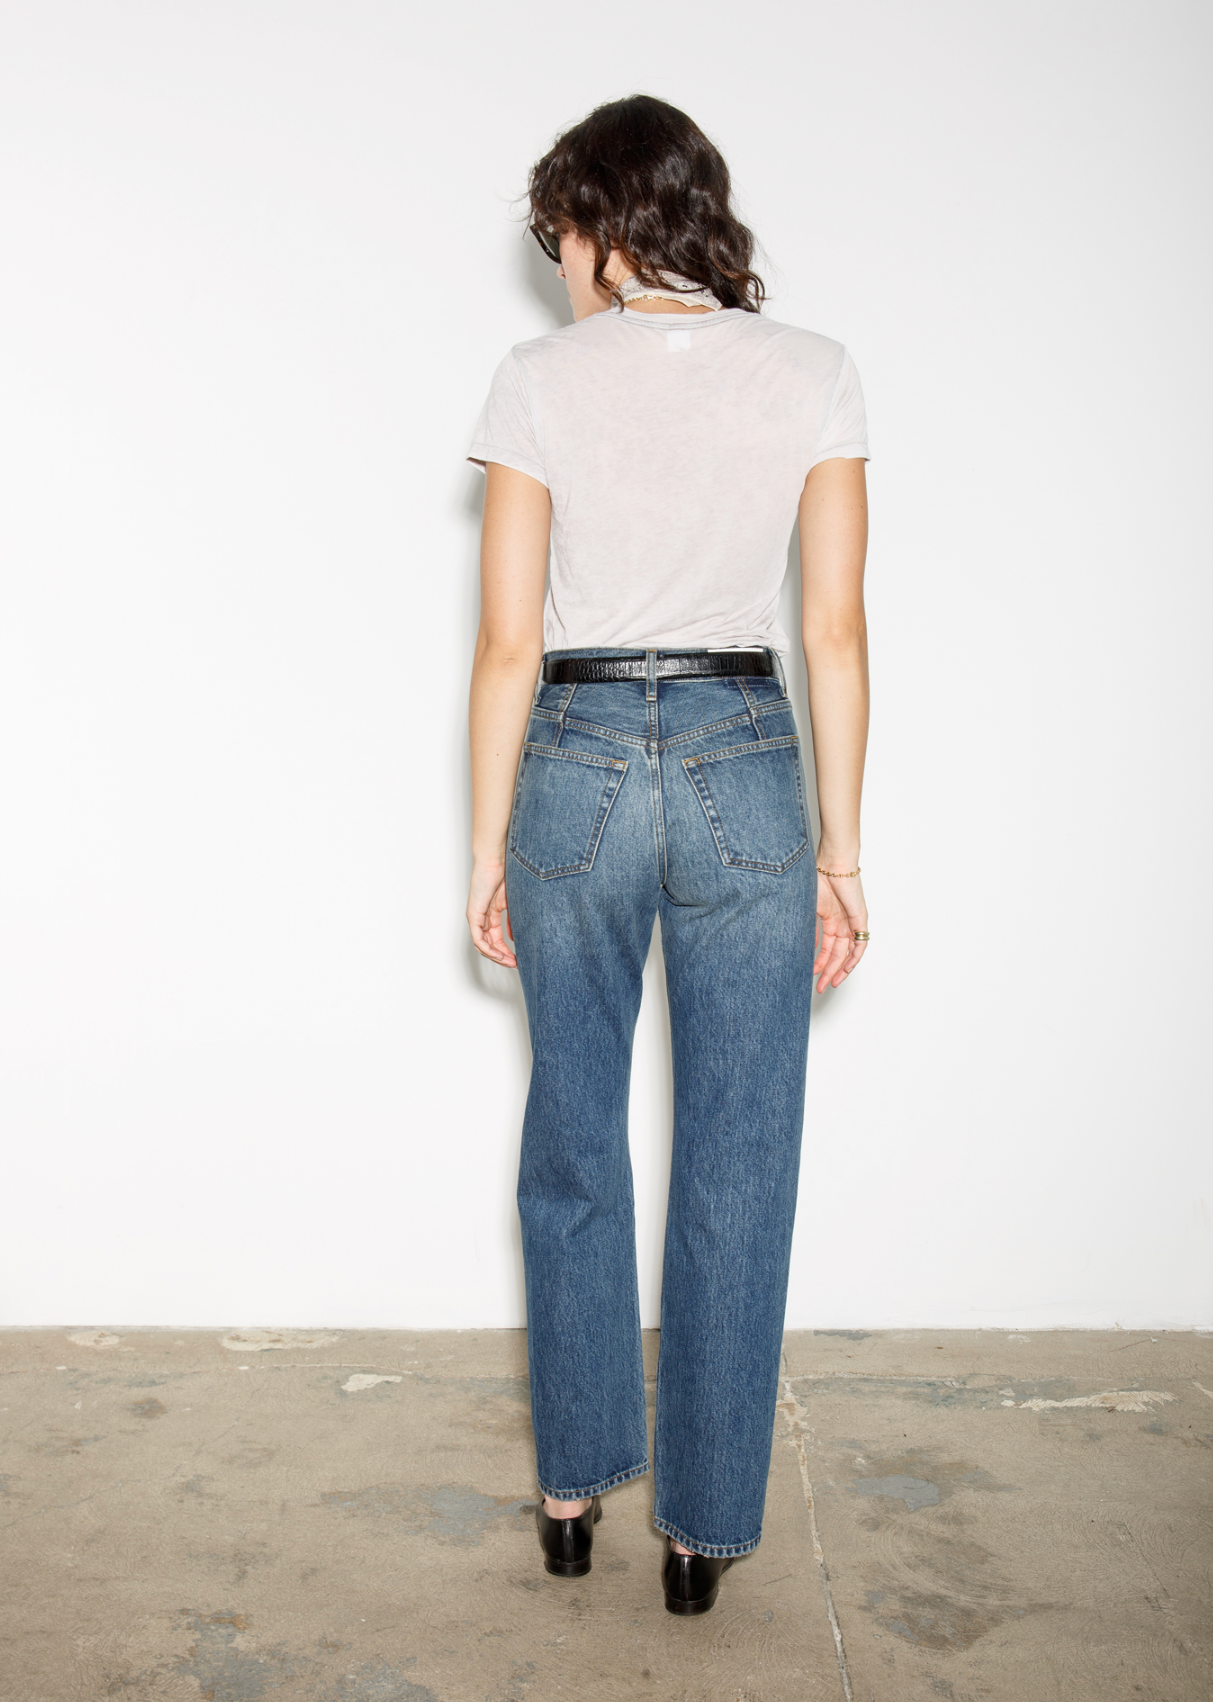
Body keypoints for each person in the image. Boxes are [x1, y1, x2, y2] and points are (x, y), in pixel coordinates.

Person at [465, 94, 869, 1617]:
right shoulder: (814, 371)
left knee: (572, 1133)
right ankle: (701, 1535)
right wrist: (842, 855)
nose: (561, 268)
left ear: (605, 221)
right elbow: (833, 632)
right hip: (741, 757)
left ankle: (573, 1493)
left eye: (562, 235)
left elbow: (508, 645)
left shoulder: (538, 381)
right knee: (739, 1149)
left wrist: (486, 848)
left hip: (573, 756)